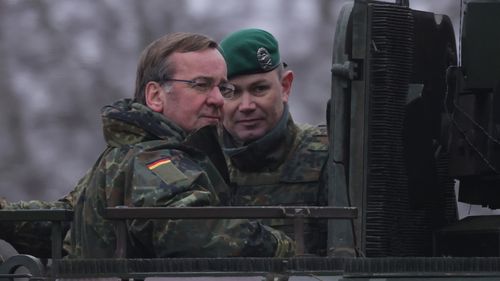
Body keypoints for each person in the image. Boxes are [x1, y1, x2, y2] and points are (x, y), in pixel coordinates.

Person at [1, 32, 295, 259]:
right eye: (202, 85)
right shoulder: (154, 160)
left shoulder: (126, 152)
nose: (219, 99)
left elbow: (66, 219)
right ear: (155, 95)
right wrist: (285, 249)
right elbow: (191, 229)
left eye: (222, 87)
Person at [219, 29, 329, 256]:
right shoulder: (202, 165)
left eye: (259, 89)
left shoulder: (328, 156)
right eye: (231, 92)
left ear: (285, 87)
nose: (246, 105)